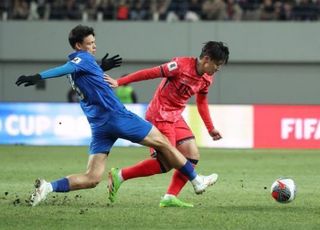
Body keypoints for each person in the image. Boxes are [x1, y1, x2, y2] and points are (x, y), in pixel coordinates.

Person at [15, 24, 217, 207]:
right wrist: (38, 76)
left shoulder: (82, 66)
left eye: (94, 42)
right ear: (78, 45)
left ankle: (48, 187)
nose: (94, 46)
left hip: (99, 125)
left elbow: (80, 71)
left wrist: (101, 66)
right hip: (117, 117)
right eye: (90, 43)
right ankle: (197, 181)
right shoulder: (81, 59)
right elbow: (66, 67)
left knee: (92, 178)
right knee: (164, 144)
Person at [105, 41, 229, 207]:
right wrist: (120, 82)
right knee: (167, 162)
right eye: (217, 64)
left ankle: (170, 197)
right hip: (160, 114)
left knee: (192, 155)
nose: (218, 69)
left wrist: (210, 127)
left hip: (176, 116)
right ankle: (120, 175)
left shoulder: (207, 78)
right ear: (207, 59)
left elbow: (202, 101)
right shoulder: (180, 65)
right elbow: (150, 73)